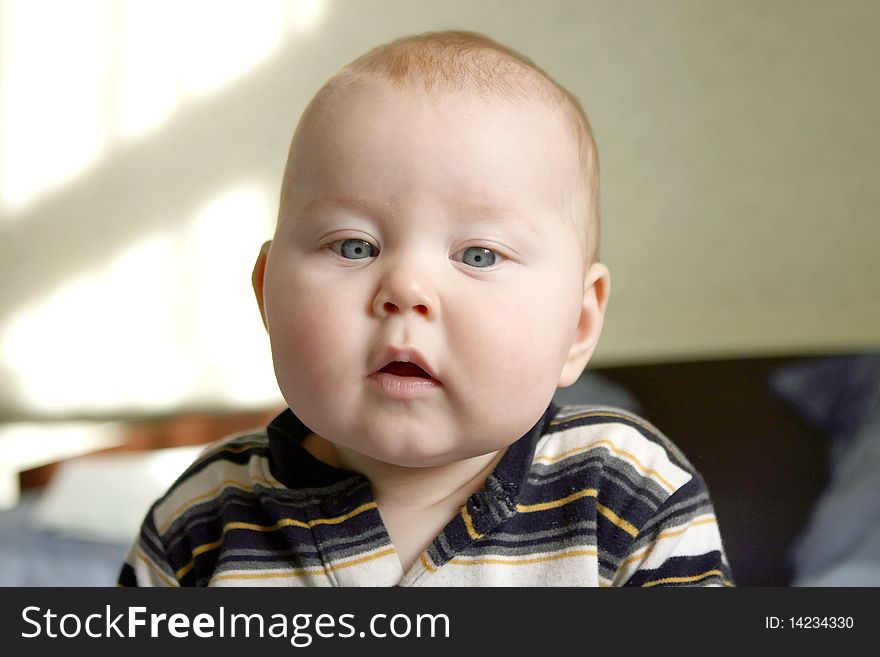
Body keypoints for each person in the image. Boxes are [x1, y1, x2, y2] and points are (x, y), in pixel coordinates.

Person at [119, 30, 733, 587]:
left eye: (481, 255)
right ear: (265, 295)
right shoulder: (202, 520)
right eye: (355, 246)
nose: (406, 287)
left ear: (577, 326)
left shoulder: (624, 493)